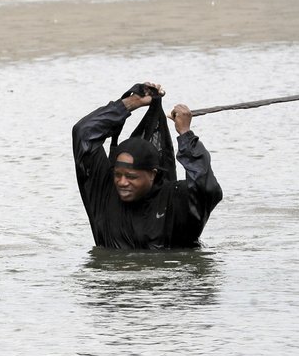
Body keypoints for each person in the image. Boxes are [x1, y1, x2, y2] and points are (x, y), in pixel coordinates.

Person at [72, 82, 223, 249]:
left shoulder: (176, 199)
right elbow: (83, 132)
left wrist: (186, 135)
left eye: (131, 176)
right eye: (117, 174)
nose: (122, 182)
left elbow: (206, 188)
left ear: (153, 173)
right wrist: (132, 102)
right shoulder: (104, 193)